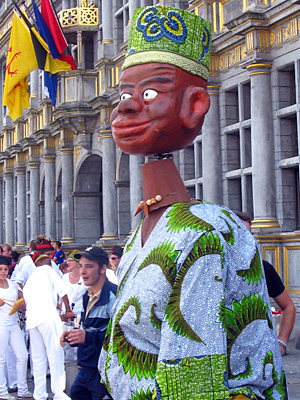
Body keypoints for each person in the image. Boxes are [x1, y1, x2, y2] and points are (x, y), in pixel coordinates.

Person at [99, 6, 287, 400]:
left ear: (195, 105)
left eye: (150, 93)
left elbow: (193, 375)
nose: (127, 107)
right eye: (124, 95)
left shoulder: (202, 232)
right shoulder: (143, 231)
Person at [235, 211, 296, 356]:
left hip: (260, 356)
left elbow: (288, 307)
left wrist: (281, 343)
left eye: (247, 235)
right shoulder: (215, 270)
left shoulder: (263, 269)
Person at [60, 246, 116, 400]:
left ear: (103, 269)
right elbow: (88, 328)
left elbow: (118, 336)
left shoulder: (113, 297)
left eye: (89, 266)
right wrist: (73, 335)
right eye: (81, 266)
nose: (83, 271)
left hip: (104, 372)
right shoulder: (87, 295)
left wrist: (88, 337)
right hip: (86, 368)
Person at [23, 252, 72, 400]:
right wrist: (68, 310)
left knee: (38, 359)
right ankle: (58, 393)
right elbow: (62, 290)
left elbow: (37, 304)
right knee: (55, 354)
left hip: (32, 321)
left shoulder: (30, 280)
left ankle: (40, 394)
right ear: (43, 262)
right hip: (47, 319)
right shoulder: (48, 270)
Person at [0, 255, 32, 400]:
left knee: (22, 355)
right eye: (0, 269)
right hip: (1, 323)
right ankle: (2, 391)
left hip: (13, 323)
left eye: (5, 269)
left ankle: (22, 389)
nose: (3, 272)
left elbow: (23, 302)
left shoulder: (12, 284)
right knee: (1, 358)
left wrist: (21, 305)